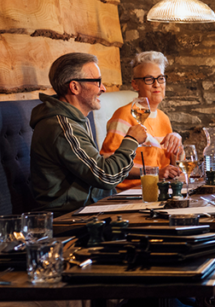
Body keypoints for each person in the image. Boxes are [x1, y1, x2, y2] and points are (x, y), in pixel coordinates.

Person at [30, 52, 147, 212]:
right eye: (97, 82)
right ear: (75, 87)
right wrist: (132, 140)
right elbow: (107, 176)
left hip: (93, 207)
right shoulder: (63, 127)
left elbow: (94, 164)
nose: (103, 88)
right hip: (70, 217)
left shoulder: (74, 119)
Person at [101, 51, 184, 187]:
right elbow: (109, 164)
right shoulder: (124, 115)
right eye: (149, 79)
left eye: (161, 78)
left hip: (161, 189)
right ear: (135, 85)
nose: (157, 85)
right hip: (132, 194)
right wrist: (155, 172)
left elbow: (173, 166)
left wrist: (177, 143)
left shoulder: (164, 118)